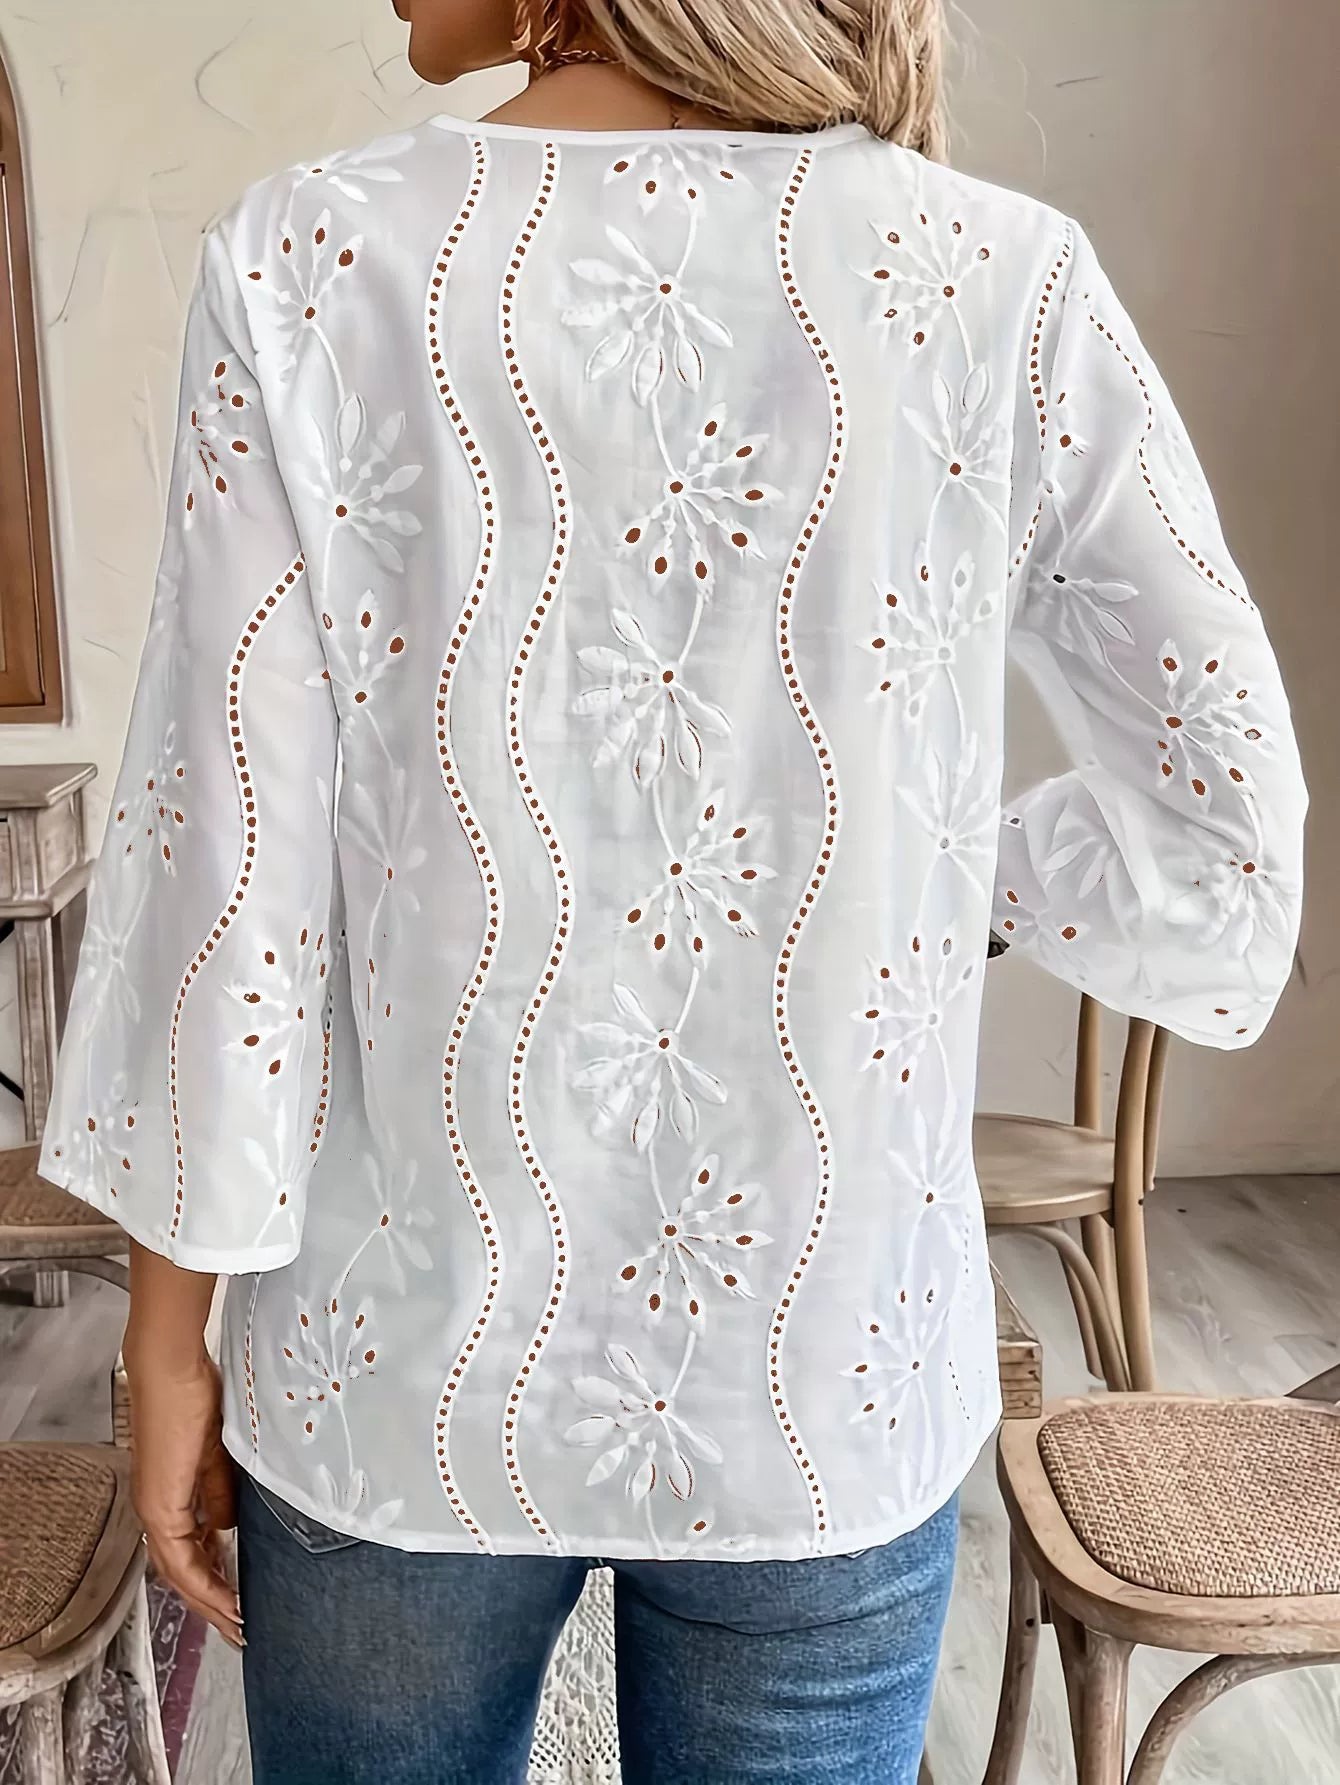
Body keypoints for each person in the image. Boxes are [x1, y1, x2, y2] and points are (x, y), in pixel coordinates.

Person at [40, 0, 1306, 1778]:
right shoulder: (1001, 276)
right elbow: (1225, 812)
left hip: (395, 1365)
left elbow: (227, 873)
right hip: (827, 1382)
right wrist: (934, 877)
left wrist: (168, 1339)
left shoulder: (311, 258)